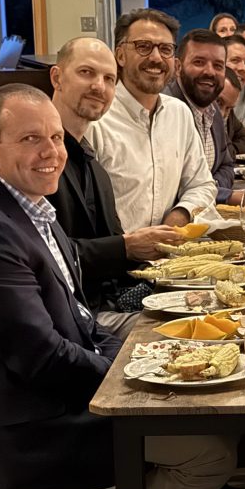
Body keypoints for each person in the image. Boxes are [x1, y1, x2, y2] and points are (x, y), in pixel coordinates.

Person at [0, 84, 245, 489]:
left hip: (53, 397)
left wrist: (149, 358)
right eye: (31, 139)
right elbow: (40, 358)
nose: (51, 152)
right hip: (28, 426)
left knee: (209, 409)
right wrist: (137, 380)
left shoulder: (24, 207)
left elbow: (78, 319)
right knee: (207, 451)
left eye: (55, 137)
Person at [48, 36, 181, 337]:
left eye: (109, 79)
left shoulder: (91, 162)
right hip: (76, 318)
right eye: (86, 73)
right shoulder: (42, 161)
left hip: (114, 299)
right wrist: (127, 246)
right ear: (57, 77)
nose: (99, 86)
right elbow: (46, 256)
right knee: (184, 335)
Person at [86, 8, 215, 237]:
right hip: (116, 261)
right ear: (120, 55)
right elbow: (85, 212)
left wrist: (180, 215)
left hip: (169, 259)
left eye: (165, 49)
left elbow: (202, 185)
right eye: (143, 47)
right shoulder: (96, 119)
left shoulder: (179, 114)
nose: (156, 58)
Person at [163, 28, 244, 206]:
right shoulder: (165, 110)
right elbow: (172, 189)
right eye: (199, 62)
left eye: (218, 65)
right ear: (177, 67)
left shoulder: (213, 108)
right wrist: (226, 195)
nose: (210, 72)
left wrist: (210, 189)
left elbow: (226, 166)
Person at [218, 68, 245, 156]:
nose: (222, 113)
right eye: (218, 102)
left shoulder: (230, 114)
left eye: (228, 108)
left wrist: (229, 150)